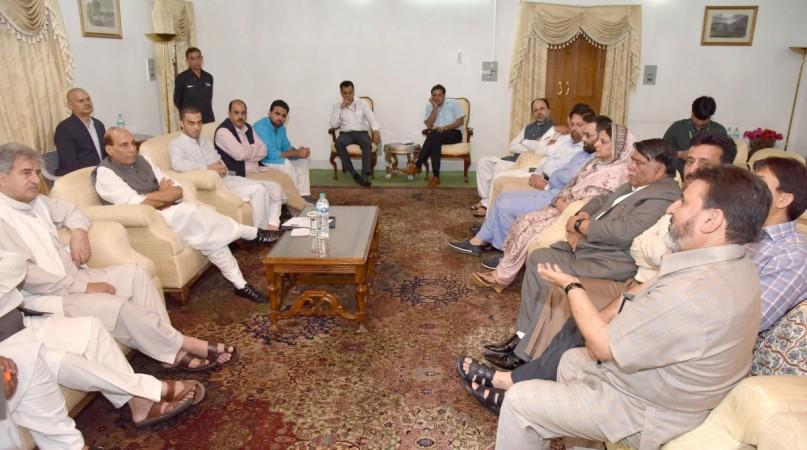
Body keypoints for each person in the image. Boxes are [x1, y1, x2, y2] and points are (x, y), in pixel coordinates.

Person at [495, 165, 770, 449]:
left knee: (519, 402)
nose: (672, 208)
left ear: (711, 220)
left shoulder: (687, 293)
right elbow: (646, 291)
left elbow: (602, 346)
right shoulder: (737, 265)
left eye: (685, 201)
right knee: (570, 361)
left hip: (650, 412)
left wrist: (571, 286)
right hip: (671, 393)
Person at [454, 134, 735, 403]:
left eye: (638, 162)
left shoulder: (664, 195)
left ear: (659, 169)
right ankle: (522, 342)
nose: (630, 166)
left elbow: (624, 233)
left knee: (542, 262)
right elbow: (602, 200)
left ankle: (523, 351)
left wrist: (580, 226)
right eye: (690, 161)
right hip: (603, 252)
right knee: (540, 257)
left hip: (612, 261)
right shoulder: (639, 185)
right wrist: (581, 214)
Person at [0, 142, 239, 370]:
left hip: (73, 277)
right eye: (26, 173)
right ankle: (182, 344)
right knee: (117, 306)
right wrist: (83, 287)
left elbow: (73, 211)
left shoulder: (37, 201)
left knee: (137, 274)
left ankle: (168, 352)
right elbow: (27, 275)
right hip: (45, 298)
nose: (35, 180)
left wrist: (79, 232)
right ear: (2, 178)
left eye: (37, 172)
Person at [0, 250, 204, 430]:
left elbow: (15, 264)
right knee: (65, 360)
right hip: (11, 340)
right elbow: (17, 268)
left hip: (19, 324)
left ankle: (139, 402)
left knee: (90, 327)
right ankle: (152, 389)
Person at [94, 128, 273, 303]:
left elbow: (177, 190)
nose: (132, 148)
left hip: (169, 210)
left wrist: (157, 196)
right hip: (148, 221)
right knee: (192, 212)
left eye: (133, 143)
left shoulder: (143, 160)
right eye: (124, 145)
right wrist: (161, 196)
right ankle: (251, 233)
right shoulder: (105, 174)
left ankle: (240, 285)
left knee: (209, 235)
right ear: (109, 149)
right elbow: (138, 204)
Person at [471, 119, 634, 292]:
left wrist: (564, 204)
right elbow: (572, 184)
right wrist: (560, 198)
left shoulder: (617, 174)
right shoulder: (596, 162)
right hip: (561, 204)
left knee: (529, 225)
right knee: (523, 221)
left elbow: (592, 203)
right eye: (599, 140)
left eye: (603, 142)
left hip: (573, 215)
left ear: (617, 146)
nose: (597, 145)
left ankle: (500, 277)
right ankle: (502, 274)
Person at [450, 113, 599, 261]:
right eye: (573, 125)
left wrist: (549, 183)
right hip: (552, 189)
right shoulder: (582, 154)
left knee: (506, 203)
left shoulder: (593, 161)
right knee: (502, 197)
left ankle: (506, 256)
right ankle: (480, 240)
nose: (583, 137)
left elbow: (569, 182)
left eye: (587, 134)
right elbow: (552, 163)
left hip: (556, 195)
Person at [170, 107, 283, 231]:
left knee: (273, 186)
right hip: (211, 186)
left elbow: (217, 158)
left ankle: (272, 226)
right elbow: (178, 165)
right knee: (259, 190)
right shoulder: (176, 144)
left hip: (225, 178)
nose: (197, 127)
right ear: (182, 123)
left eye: (199, 122)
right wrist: (207, 168)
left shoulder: (205, 141)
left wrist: (223, 167)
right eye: (191, 123)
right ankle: (260, 233)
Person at [215, 99, 308, 210]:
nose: (240, 116)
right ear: (229, 113)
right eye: (236, 113)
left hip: (257, 169)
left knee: (284, 178)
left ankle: (298, 207)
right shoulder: (223, 131)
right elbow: (240, 154)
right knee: (277, 184)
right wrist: (253, 150)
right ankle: (302, 208)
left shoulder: (248, 128)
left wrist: (248, 151)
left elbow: (263, 150)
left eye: (243, 113)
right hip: (241, 173)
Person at [748, 156, 807, 331]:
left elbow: (750, 321)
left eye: (759, 184)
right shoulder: (746, 232)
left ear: (783, 200)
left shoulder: (792, 255)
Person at [471, 99, 555, 214]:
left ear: (548, 111)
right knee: (483, 162)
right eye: (535, 110)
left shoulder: (554, 129)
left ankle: (488, 206)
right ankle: (485, 199)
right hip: (513, 159)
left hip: (527, 164)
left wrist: (525, 143)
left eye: (542, 109)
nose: (539, 112)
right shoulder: (528, 127)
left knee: (498, 169)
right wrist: (530, 145)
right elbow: (513, 146)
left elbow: (542, 150)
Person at [402, 84, 465, 188]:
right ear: (431, 96)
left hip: (454, 133)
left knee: (433, 135)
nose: (437, 98)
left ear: (444, 95)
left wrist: (446, 127)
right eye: (434, 95)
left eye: (439, 95)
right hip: (437, 135)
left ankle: (417, 166)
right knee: (435, 139)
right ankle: (436, 177)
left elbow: (460, 122)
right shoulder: (429, 106)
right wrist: (435, 109)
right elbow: (429, 124)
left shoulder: (453, 103)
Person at [253, 100, 312, 197]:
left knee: (303, 161)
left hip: (276, 160)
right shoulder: (260, 126)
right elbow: (271, 153)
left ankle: (302, 196)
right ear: (269, 113)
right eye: (277, 114)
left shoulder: (281, 128)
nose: (280, 118)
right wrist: (296, 153)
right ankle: (293, 200)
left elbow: (287, 149)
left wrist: (300, 152)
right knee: (286, 163)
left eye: (283, 116)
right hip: (262, 162)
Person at [328, 80, 381, 187]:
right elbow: (333, 125)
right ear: (341, 93)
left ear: (354, 91)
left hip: (361, 133)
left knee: (367, 142)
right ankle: (353, 172)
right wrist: (341, 109)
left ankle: (365, 173)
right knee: (339, 143)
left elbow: (371, 118)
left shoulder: (362, 103)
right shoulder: (337, 106)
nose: (348, 95)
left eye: (350, 92)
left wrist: (376, 130)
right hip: (346, 134)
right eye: (345, 93)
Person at [663, 96, 728, 175]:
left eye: (704, 119)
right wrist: (680, 154)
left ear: (710, 116)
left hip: (709, 177)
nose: (700, 123)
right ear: (692, 112)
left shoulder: (719, 130)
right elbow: (661, 152)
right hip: (679, 177)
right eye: (697, 118)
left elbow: (726, 158)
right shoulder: (677, 127)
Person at [53, 88, 106, 176]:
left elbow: (105, 154)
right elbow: (69, 163)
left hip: (101, 174)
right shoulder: (64, 128)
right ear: (70, 106)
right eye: (81, 101)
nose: (87, 103)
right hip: (77, 177)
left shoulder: (98, 124)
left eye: (88, 99)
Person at [173, 47, 214, 123]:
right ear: (187, 61)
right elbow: (177, 100)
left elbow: (209, 98)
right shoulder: (181, 78)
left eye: (198, 58)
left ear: (202, 58)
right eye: (192, 58)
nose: (196, 61)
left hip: (208, 118)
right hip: (191, 120)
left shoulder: (209, 77)